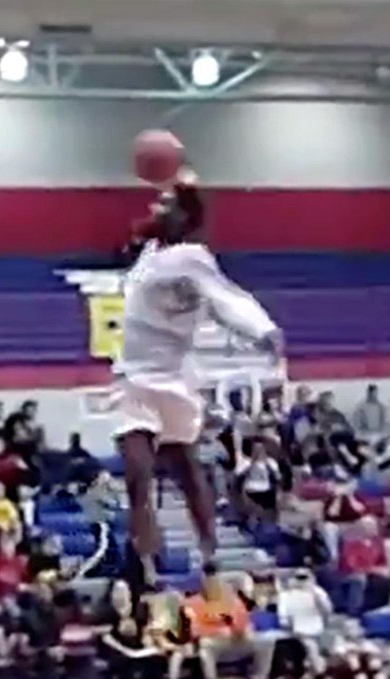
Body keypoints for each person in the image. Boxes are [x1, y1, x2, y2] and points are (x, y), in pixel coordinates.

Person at [112, 165, 283, 587]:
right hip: (134, 378)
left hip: (173, 377)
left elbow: (226, 298)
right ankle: (147, 563)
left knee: (185, 469)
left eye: (166, 204)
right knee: (137, 472)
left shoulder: (192, 257)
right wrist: (176, 186)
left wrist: (262, 329)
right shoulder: (150, 252)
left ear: (185, 219)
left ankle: (209, 551)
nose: (156, 206)